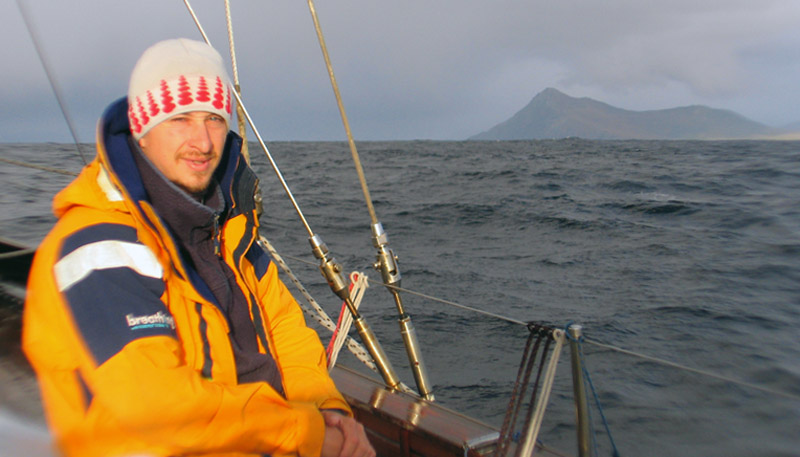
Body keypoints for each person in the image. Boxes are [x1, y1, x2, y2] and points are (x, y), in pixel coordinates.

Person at [22, 38, 375, 457]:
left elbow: (285, 333)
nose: (203, 142)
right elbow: (158, 407)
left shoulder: (228, 230)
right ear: (142, 130)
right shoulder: (97, 248)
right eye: (180, 119)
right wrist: (307, 434)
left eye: (214, 119)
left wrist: (326, 410)